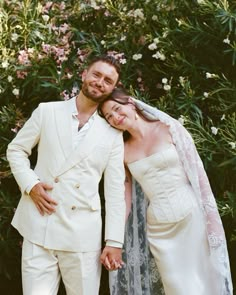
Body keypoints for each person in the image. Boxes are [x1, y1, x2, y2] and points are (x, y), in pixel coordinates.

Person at [6, 55, 126, 295]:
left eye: (108, 80)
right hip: (39, 224)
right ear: (84, 75)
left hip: (82, 235)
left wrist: (114, 241)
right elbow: (16, 150)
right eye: (97, 74)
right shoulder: (47, 112)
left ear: (112, 88)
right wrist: (32, 185)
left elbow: (114, 192)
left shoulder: (112, 135)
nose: (100, 82)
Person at [98, 87, 233, 295]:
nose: (115, 117)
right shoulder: (121, 151)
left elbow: (198, 174)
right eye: (109, 116)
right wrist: (115, 239)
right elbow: (123, 199)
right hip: (160, 228)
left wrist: (212, 220)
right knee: (177, 288)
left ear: (131, 103)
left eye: (117, 109)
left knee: (204, 284)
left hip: (192, 218)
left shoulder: (168, 127)